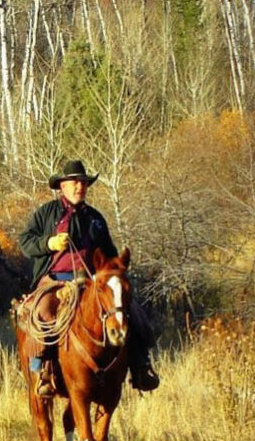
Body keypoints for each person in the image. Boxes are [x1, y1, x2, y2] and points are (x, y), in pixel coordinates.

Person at [18, 160, 160, 396]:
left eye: (83, 183)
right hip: (55, 280)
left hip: (92, 281)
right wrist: (49, 243)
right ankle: (42, 369)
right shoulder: (46, 214)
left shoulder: (95, 218)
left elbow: (110, 255)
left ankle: (141, 365)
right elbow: (25, 242)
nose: (79, 187)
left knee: (131, 311)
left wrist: (114, 273)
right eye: (74, 182)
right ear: (62, 185)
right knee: (42, 310)